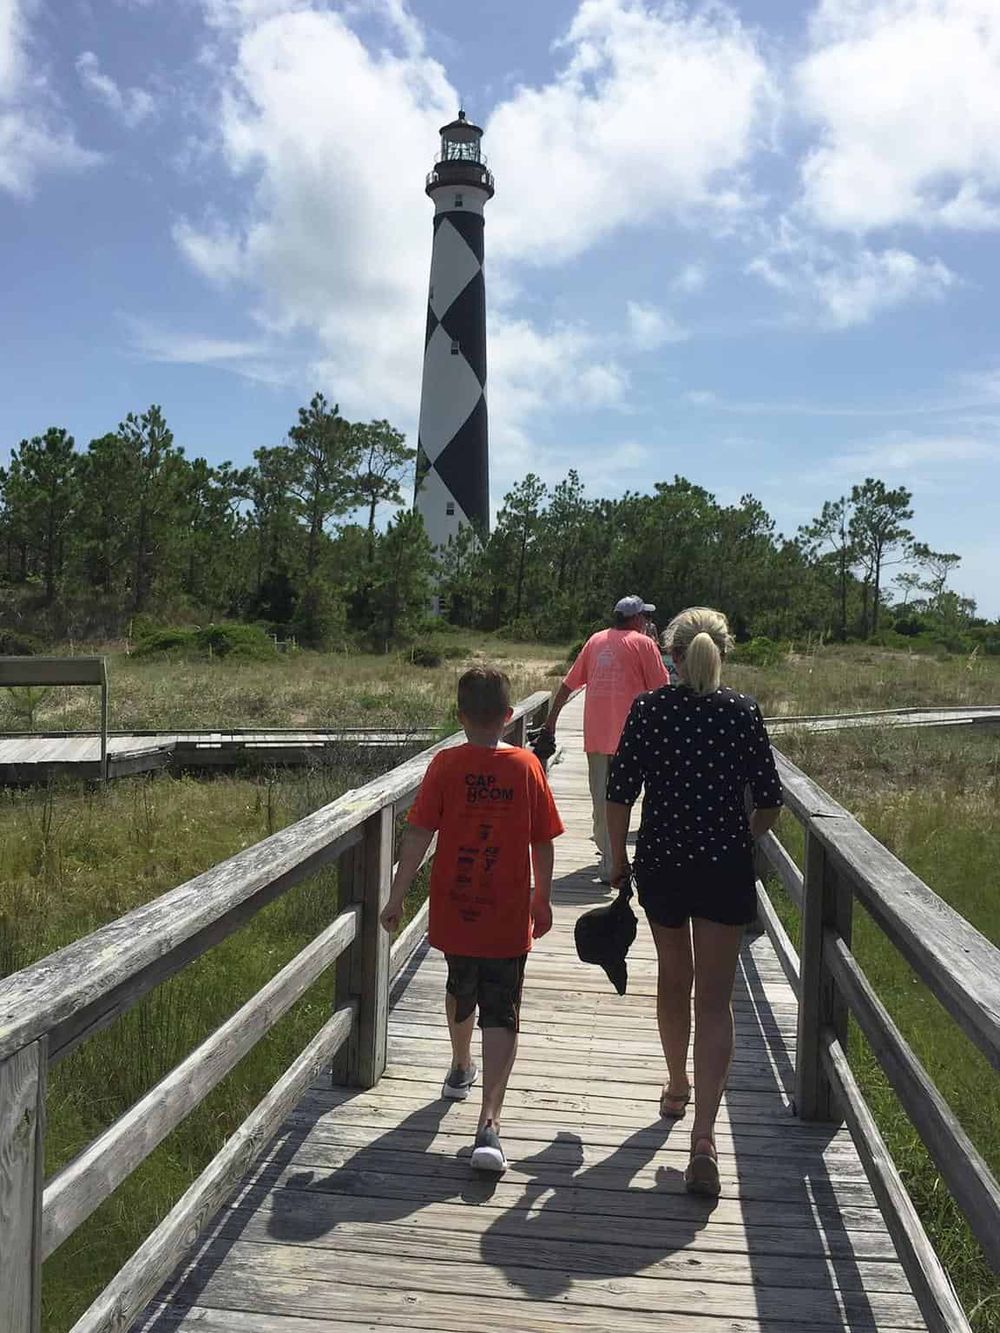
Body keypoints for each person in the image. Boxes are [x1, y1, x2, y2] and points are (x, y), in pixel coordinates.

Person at [604, 607, 782, 1198]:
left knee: (672, 977)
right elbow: (770, 802)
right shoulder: (742, 712)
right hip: (722, 868)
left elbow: (620, 790)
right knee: (716, 996)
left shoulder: (650, 710)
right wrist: (740, 836)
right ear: (720, 653)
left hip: (663, 863)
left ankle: (676, 1084)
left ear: (670, 657)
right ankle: (704, 1136)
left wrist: (615, 859)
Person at [380, 666, 564, 1174]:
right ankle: (490, 1125)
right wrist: (542, 898)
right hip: (507, 912)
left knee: (461, 988)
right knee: (503, 1008)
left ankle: (461, 1065)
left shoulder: (444, 765)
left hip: (457, 906)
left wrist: (397, 896)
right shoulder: (527, 766)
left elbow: (417, 834)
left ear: (460, 716)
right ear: (508, 718)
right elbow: (542, 840)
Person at [543, 595, 669, 882]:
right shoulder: (645, 644)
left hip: (598, 736)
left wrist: (551, 722)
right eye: (645, 617)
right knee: (632, 799)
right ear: (636, 619)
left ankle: (609, 856)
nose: (647, 622)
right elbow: (662, 691)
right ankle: (618, 859)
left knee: (601, 799)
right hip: (635, 739)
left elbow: (568, 685)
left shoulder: (595, 640)